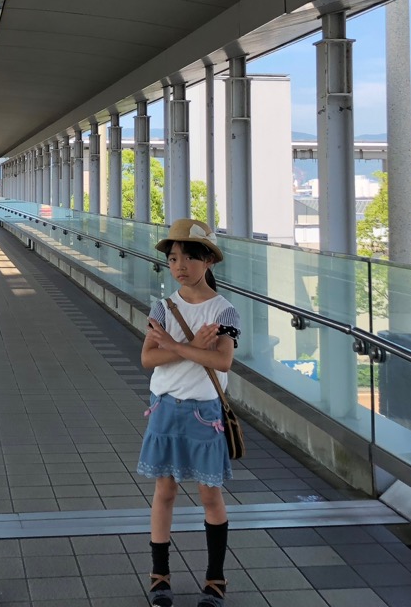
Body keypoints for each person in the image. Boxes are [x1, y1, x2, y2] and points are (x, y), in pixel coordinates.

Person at [138, 219, 240, 607]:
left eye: (189, 257)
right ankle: (159, 576)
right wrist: (192, 347)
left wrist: (178, 346)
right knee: (164, 492)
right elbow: (148, 358)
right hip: (165, 408)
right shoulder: (163, 307)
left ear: (209, 260)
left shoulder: (224, 311)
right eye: (173, 258)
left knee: (210, 495)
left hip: (204, 412)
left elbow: (223, 362)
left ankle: (215, 579)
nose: (180, 266)